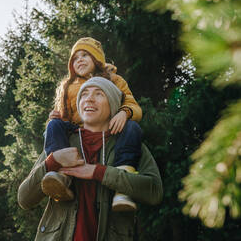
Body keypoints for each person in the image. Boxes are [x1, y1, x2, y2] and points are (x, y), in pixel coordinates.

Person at [18, 77, 163, 240]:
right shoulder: (61, 143)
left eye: (99, 94)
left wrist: (98, 172)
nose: (89, 98)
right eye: (84, 94)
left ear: (113, 105)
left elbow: (155, 192)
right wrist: (53, 161)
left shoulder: (131, 144)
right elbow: (25, 199)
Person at [43, 37, 142, 211]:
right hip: (79, 132)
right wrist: (55, 117)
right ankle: (61, 176)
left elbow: (133, 105)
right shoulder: (68, 86)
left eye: (85, 55)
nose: (79, 60)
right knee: (53, 126)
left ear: (97, 59)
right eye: (75, 58)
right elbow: (63, 116)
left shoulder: (114, 79)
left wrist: (124, 113)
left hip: (109, 127)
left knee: (133, 128)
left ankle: (123, 188)